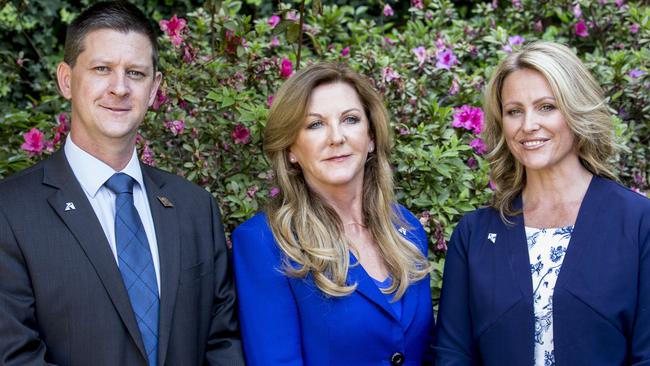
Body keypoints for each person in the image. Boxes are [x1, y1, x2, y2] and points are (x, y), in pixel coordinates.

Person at [0, 2, 244, 365]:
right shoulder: (10, 211)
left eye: (136, 73)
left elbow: (222, 344)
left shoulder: (195, 209)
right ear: (66, 80)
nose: (119, 88)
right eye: (102, 69)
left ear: (154, 88)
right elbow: (14, 356)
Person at [434, 40, 650, 365]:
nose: (528, 125)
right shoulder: (475, 234)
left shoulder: (637, 222)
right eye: (514, 111)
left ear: (575, 110)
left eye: (546, 107)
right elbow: (453, 355)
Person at [232, 62, 434, 365]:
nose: (336, 137)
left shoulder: (406, 228)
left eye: (350, 119)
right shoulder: (263, 243)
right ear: (291, 149)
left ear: (371, 138)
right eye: (315, 124)